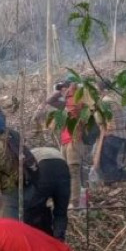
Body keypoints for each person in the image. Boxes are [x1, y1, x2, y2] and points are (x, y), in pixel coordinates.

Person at [48, 77, 83, 207]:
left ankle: (74, 202)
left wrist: (70, 90)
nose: (63, 90)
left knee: (73, 170)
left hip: (75, 139)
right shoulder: (65, 103)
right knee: (64, 171)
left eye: (65, 88)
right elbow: (50, 100)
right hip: (65, 140)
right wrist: (59, 90)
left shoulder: (78, 99)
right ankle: (66, 199)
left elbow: (75, 109)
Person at [28, 147, 71, 241]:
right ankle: (59, 241)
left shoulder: (29, 154)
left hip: (45, 167)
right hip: (63, 167)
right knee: (61, 212)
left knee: (35, 209)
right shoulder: (54, 151)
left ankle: (40, 239)